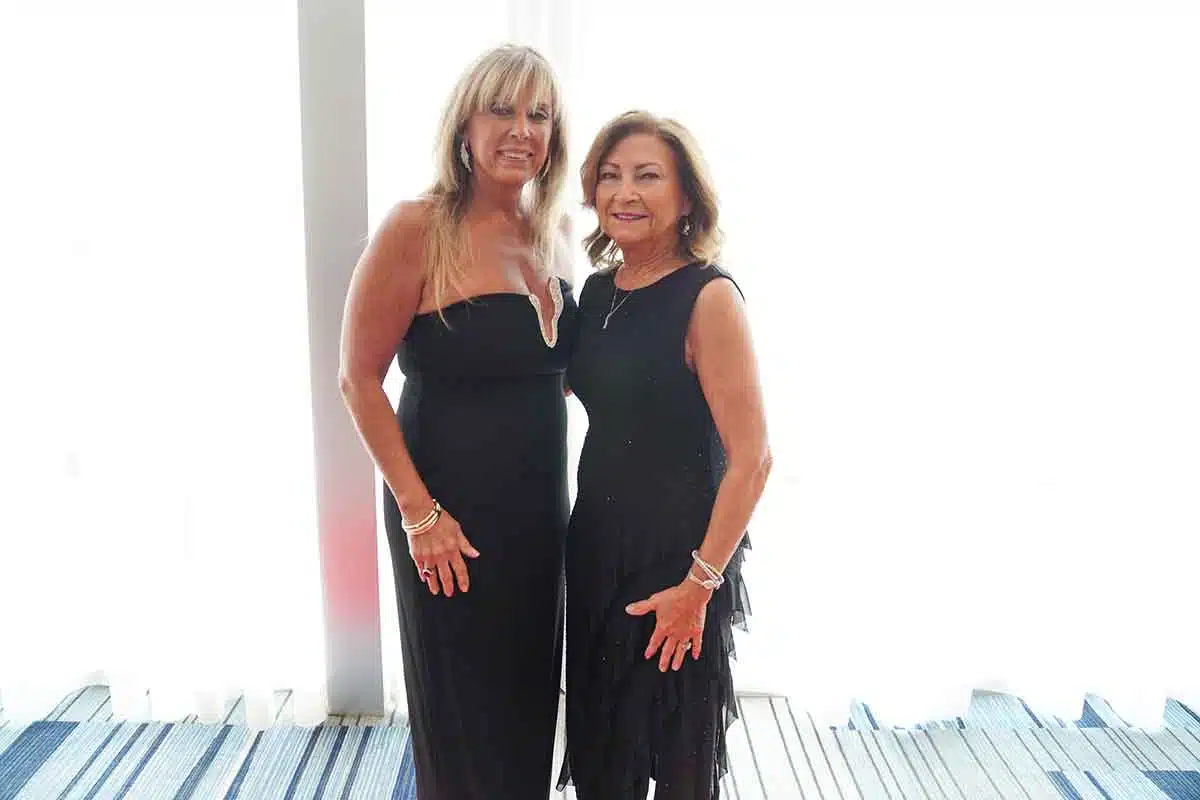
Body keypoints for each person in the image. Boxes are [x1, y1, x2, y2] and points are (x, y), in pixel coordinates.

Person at [338, 45, 576, 799]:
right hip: (446, 516)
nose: (521, 129)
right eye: (501, 109)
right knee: (463, 713)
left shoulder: (554, 233)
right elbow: (358, 380)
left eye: (539, 114)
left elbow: (566, 377)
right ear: (464, 125)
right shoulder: (416, 227)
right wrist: (420, 514)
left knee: (526, 700)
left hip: (539, 516)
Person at [557, 111, 772, 799]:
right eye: (610, 176)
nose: (625, 192)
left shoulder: (708, 297)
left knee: (675, 760)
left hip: (678, 563)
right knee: (603, 753)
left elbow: (753, 459)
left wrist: (699, 586)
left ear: (686, 198)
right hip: (597, 548)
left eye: (647, 176)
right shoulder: (597, 291)